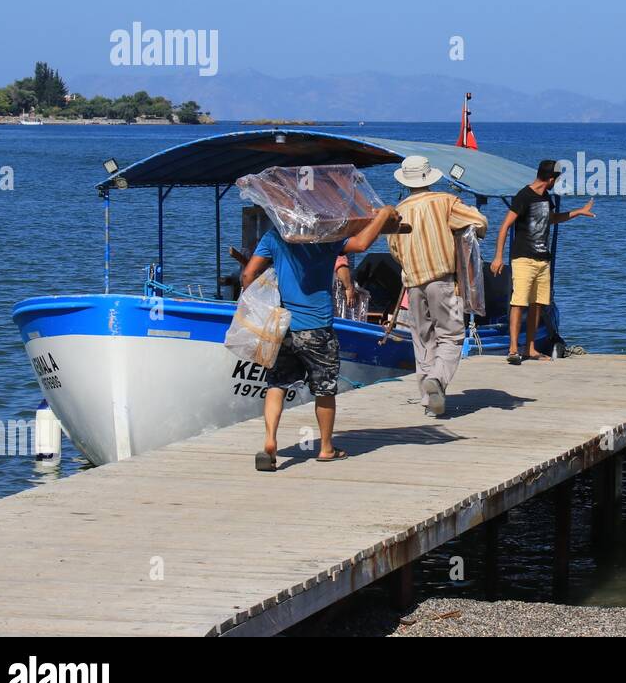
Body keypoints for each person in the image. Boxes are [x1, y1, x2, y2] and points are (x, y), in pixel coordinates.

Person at [241, 203, 398, 471]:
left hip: (285, 325)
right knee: (324, 390)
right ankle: (326, 448)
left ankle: (270, 441)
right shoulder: (327, 238)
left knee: (277, 384)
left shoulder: (275, 236)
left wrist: (255, 302)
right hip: (318, 327)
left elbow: (248, 273)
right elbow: (360, 244)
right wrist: (383, 215)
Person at [386, 155, 488, 416]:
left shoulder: (399, 211)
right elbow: (479, 221)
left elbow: (394, 250)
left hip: (413, 283)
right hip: (443, 281)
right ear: (429, 177)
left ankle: (428, 401)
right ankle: (438, 380)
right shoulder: (445, 202)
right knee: (452, 336)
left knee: (423, 340)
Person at [490, 159, 595, 365]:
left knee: (537, 305)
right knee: (518, 303)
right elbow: (504, 227)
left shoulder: (546, 198)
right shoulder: (524, 196)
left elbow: (552, 219)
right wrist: (498, 257)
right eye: (556, 179)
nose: (557, 182)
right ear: (550, 178)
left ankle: (530, 348)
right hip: (523, 259)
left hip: (542, 260)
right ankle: (513, 349)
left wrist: (578, 212)